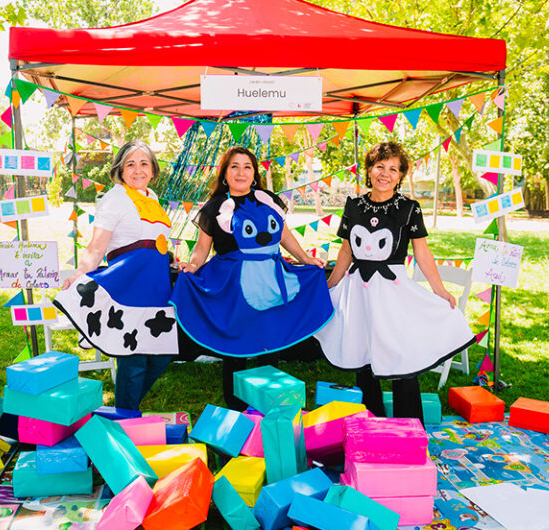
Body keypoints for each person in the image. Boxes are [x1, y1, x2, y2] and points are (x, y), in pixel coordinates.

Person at [315, 141, 476, 423]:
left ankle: (408, 425)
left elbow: (422, 252)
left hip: (392, 292)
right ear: (369, 169)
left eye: (393, 168)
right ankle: (372, 421)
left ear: (400, 175)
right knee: (361, 352)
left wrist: (440, 290)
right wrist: (331, 284)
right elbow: (346, 250)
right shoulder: (354, 205)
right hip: (359, 289)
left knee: (401, 355)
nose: (385, 174)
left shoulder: (409, 208)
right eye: (380, 166)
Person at [170, 146, 334, 410]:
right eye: (234, 166)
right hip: (233, 287)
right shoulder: (214, 207)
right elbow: (202, 248)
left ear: (254, 172)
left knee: (270, 342)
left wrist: (306, 259)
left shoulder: (267, 199)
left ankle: (270, 408)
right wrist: (193, 264)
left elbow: (285, 236)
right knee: (237, 346)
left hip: (270, 281)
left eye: (247, 166)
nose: (241, 172)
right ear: (225, 173)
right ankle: (237, 410)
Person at [53, 140, 177, 410]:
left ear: (153, 170)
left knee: (161, 352)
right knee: (132, 359)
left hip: (156, 286)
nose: (137, 170)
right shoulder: (114, 198)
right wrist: (80, 274)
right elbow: (97, 246)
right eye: (130, 164)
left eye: (144, 163)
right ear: (119, 170)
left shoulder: (152, 197)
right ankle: (125, 417)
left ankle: (126, 408)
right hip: (129, 286)